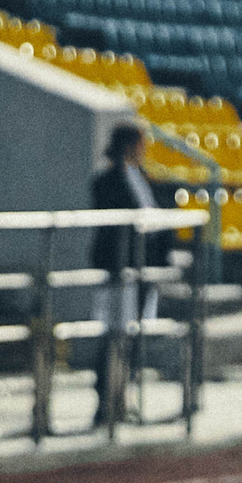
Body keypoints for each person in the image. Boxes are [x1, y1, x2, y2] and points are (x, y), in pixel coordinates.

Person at [87, 120, 160, 427]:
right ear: (129, 145)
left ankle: (122, 398)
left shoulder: (141, 177)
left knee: (128, 335)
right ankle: (105, 401)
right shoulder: (107, 179)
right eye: (140, 144)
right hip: (117, 267)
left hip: (139, 267)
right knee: (112, 334)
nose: (144, 151)